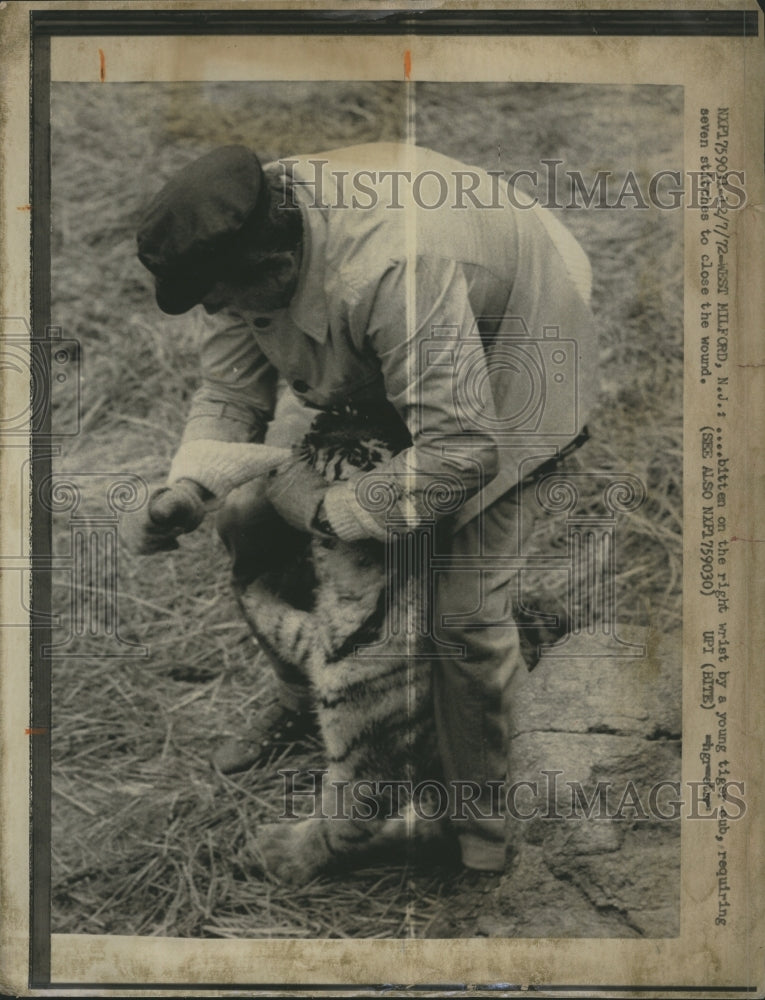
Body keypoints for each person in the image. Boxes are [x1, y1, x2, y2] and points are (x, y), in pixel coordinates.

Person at [128, 142, 598, 874]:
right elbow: (230, 393)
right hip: (392, 352)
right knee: (247, 517)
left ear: (278, 271)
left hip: (514, 352)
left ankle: (471, 834)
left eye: (221, 297)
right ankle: (305, 694)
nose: (215, 310)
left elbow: (457, 452)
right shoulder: (237, 228)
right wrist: (187, 486)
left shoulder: (391, 267)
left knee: (462, 619)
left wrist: (327, 511)